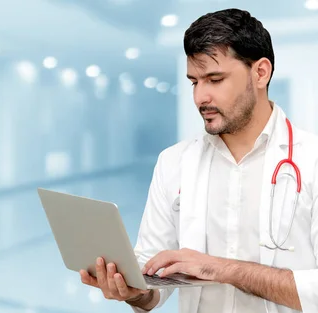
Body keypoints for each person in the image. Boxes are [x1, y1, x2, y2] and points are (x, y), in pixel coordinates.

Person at [79, 8, 318, 313]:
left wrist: (221, 269)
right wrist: (132, 291)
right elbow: (153, 286)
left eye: (214, 79)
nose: (200, 97)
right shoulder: (174, 162)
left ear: (260, 73)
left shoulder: (311, 161)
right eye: (194, 82)